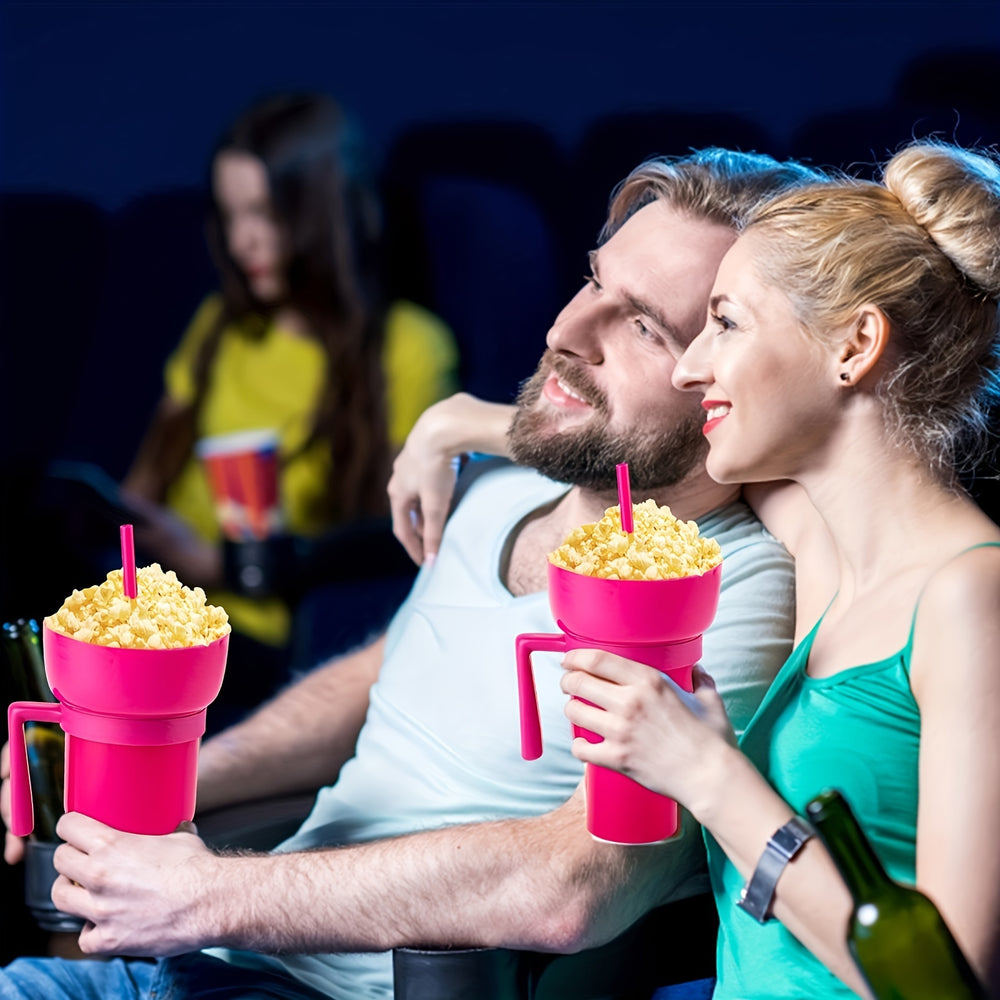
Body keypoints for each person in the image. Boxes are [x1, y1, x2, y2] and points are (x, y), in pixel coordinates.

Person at [0, 148, 821, 1000]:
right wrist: (148, 782)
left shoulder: (715, 590)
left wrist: (206, 896)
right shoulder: (498, 492)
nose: (565, 333)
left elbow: (580, 885)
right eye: (592, 284)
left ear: (726, 377)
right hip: (208, 965)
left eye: (644, 326)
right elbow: (382, 673)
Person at [552, 142, 1000, 998]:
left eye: (726, 323)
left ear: (855, 345)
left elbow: (951, 983)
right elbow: (647, 433)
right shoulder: (826, 544)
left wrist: (708, 775)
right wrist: (463, 428)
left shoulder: (970, 596)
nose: (690, 368)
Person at [117, 92, 459, 705]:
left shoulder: (409, 347)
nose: (243, 240)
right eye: (229, 216)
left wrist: (224, 566)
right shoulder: (219, 326)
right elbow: (141, 485)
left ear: (322, 214)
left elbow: (397, 534)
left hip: (273, 642)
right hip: (151, 616)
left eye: (266, 214)